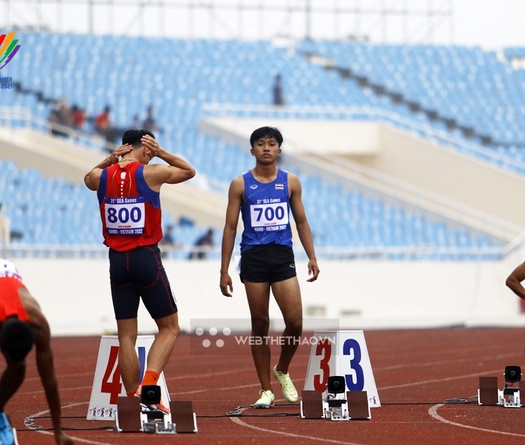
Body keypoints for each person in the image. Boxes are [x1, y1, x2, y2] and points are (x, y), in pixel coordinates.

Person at [84, 129, 196, 413]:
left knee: (126, 336)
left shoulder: (102, 176)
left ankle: (133, 396)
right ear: (145, 147)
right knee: (170, 328)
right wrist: (161, 153)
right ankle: (149, 388)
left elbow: (87, 179)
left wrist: (109, 160)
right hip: (145, 256)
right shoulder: (151, 173)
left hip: (117, 262)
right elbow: (188, 171)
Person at [219, 126, 320, 408]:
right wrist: (224, 269)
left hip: (282, 255)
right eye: (260, 144)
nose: (266, 148)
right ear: (252, 150)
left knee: (295, 322)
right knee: (260, 323)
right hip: (253, 257)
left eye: (271, 143)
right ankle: (265, 390)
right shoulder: (240, 184)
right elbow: (229, 228)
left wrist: (311, 256)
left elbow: (301, 222)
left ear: (279, 150)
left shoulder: (291, 182)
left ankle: (283, 369)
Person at [0, 259, 75, 445]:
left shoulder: (39, 324)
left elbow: (49, 381)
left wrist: (59, 433)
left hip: (8, 274)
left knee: (18, 368)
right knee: (17, 367)